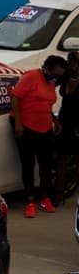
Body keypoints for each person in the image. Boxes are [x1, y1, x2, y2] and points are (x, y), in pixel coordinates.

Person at [12, 56, 68, 218]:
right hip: (26, 126)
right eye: (56, 75)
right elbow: (15, 97)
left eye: (60, 76)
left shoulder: (51, 81)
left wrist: (54, 120)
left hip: (44, 127)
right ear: (47, 68)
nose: (57, 79)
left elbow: (46, 103)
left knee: (45, 164)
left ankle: (45, 198)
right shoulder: (31, 77)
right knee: (28, 164)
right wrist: (18, 124)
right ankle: (30, 201)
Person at [55, 51, 79, 204]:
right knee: (62, 158)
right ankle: (58, 194)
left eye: (75, 64)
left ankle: (70, 188)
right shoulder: (65, 77)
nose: (73, 67)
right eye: (70, 64)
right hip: (65, 122)